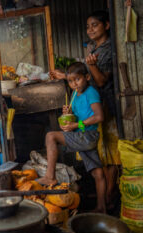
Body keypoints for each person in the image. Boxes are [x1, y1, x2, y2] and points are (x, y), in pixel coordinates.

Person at [50, 11, 121, 207]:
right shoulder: (91, 47)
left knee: (110, 154)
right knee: (100, 156)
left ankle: (109, 196)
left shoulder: (109, 48)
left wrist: (78, 123)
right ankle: (104, 201)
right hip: (89, 109)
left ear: (106, 25)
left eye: (95, 25)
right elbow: (83, 76)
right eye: (88, 26)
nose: (90, 29)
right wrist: (67, 76)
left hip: (106, 104)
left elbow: (100, 79)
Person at [38, 62, 106, 213]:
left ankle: (50, 176)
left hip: (87, 136)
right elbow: (80, 119)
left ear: (87, 77)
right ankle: (102, 207)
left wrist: (76, 125)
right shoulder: (75, 95)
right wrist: (68, 114)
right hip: (84, 134)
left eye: (77, 79)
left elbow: (99, 116)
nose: (74, 84)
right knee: (98, 173)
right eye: (70, 81)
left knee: (51, 137)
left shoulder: (91, 93)